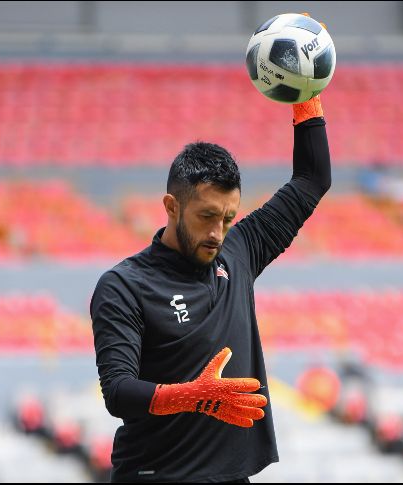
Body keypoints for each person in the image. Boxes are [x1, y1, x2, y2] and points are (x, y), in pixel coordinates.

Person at [91, 88, 331, 482]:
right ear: (172, 207)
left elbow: (312, 179)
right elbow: (118, 393)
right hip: (156, 476)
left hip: (231, 476)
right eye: (206, 216)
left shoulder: (240, 252)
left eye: (228, 218)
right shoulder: (123, 285)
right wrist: (191, 396)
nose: (218, 232)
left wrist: (306, 93)